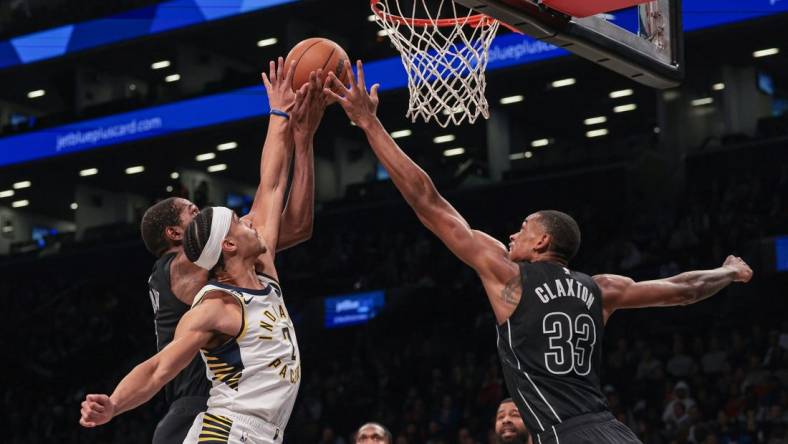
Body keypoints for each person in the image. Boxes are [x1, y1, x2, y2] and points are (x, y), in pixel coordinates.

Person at [324, 59, 754, 444]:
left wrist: (369, 123)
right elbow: (684, 289)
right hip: (612, 431)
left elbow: (428, 202)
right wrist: (729, 271)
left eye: (523, 229)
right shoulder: (601, 289)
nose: (513, 235)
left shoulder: (507, 276)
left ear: (543, 242)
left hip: (562, 434)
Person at [139, 58, 325, 443]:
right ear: (176, 234)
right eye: (194, 212)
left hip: (232, 408)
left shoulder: (224, 259)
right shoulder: (180, 265)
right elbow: (266, 196)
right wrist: (278, 117)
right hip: (201, 406)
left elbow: (294, 224)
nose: (206, 213)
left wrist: (302, 142)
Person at [80, 204, 301, 441]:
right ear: (229, 245)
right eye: (238, 220)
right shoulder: (215, 308)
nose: (249, 222)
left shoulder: (267, 284)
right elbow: (158, 369)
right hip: (228, 432)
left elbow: (274, 188)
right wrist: (114, 404)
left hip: (264, 434)